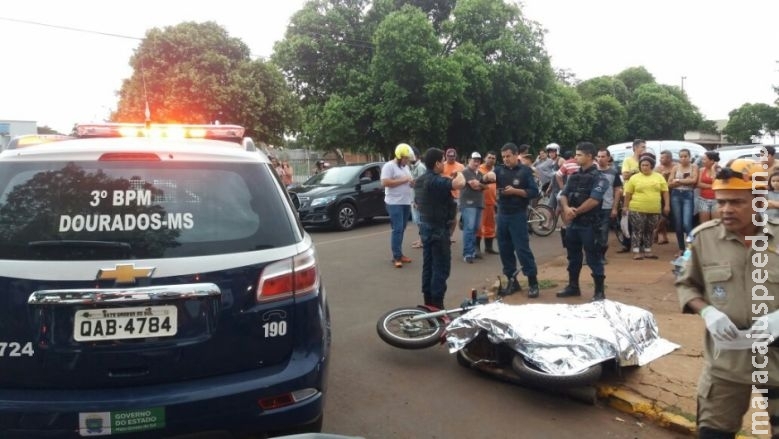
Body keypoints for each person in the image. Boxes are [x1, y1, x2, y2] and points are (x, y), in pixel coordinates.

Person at [676, 159, 779, 439]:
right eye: (721, 202)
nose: (725, 210)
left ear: (759, 200)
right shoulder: (703, 240)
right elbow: (687, 285)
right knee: (713, 433)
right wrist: (708, 312)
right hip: (726, 362)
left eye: (736, 202)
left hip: (777, 359)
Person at [483, 142, 541, 298]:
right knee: (504, 249)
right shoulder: (499, 169)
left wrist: (515, 191)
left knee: (522, 249)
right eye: (503, 157)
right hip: (502, 214)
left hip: (517, 214)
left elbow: (534, 192)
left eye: (508, 156)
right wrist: (486, 177)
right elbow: (486, 179)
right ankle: (512, 281)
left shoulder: (525, 171)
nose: (506, 159)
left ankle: (533, 282)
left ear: (516, 155)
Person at [556, 142, 610, 300]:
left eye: (579, 155)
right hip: (574, 224)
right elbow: (563, 194)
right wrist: (566, 208)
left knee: (593, 257)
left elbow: (594, 200)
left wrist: (576, 212)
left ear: (589, 156)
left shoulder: (600, 178)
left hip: (590, 224)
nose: (576, 157)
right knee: (573, 256)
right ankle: (573, 286)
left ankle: (599, 291)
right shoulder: (574, 176)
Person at [414, 148, 466, 309]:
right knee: (441, 268)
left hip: (426, 228)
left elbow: (419, 201)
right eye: (442, 160)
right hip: (438, 230)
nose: (444, 163)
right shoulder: (434, 180)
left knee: (428, 266)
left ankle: (428, 303)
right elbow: (459, 183)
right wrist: (459, 173)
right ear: (437, 163)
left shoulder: (421, 180)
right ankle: (437, 306)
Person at [623, 152, 670, 260]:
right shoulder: (634, 178)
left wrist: (667, 205)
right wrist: (625, 207)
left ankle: (648, 250)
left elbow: (665, 192)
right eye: (642, 165)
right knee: (637, 229)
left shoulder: (659, 177)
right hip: (637, 208)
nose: (644, 167)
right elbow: (628, 193)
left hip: (654, 208)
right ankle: (636, 251)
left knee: (650, 229)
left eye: (647, 165)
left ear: (652, 166)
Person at [381, 143, 415, 268]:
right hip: (394, 202)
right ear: (399, 156)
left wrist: (411, 183)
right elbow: (385, 182)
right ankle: (396, 257)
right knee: (398, 229)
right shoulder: (389, 166)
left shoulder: (405, 167)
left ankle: (400, 254)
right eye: (405, 158)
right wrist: (404, 180)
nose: (407, 161)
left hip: (405, 202)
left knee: (402, 229)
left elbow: (408, 181)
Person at [667, 148, 699, 257]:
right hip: (676, 195)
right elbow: (669, 183)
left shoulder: (693, 167)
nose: (683, 158)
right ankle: (681, 248)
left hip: (687, 195)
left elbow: (693, 181)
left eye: (685, 156)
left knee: (687, 223)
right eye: (681, 156)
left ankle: (691, 248)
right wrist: (685, 181)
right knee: (678, 224)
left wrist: (678, 181)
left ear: (689, 157)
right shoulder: (675, 167)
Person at [595, 148, 623, 265]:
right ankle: (590, 256)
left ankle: (601, 256)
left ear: (608, 158)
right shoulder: (592, 171)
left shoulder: (613, 173)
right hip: (592, 206)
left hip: (606, 206)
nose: (600, 159)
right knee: (590, 233)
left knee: (603, 233)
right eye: (599, 156)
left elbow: (617, 190)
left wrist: (615, 208)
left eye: (603, 156)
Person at [460, 152, 486, 263]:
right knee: (469, 228)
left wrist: (481, 185)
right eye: (474, 160)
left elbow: (486, 187)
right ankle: (468, 253)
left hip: (479, 203)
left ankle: (472, 250)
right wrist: (481, 185)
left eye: (478, 160)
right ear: (469, 160)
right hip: (468, 203)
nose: (476, 162)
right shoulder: (465, 172)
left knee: (476, 228)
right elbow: (475, 186)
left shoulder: (480, 173)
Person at [477, 150, 499, 256]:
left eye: (493, 158)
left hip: (492, 202)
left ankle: (488, 247)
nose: (491, 160)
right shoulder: (479, 169)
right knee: (479, 226)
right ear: (485, 158)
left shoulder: (497, 171)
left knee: (490, 226)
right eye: (489, 157)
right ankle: (476, 248)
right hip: (480, 202)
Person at [443, 148, 465, 241]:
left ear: (455, 156)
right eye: (449, 156)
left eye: (453, 156)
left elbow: (464, 179)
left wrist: (458, 174)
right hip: (444, 194)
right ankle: (444, 234)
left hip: (456, 195)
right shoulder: (442, 165)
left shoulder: (461, 166)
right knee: (443, 215)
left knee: (453, 216)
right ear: (446, 156)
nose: (451, 158)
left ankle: (450, 235)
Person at [654, 150, 674, 245]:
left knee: (666, 214)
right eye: (660, 157)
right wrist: (662, 175)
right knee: (662, 214)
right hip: (661, 194)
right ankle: (663, 236)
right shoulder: (658, 168)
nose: (660, 159)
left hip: (673, 193)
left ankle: (656, 231)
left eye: (662, 158)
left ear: (669, 158)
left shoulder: (675, 167)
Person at [408, 146, 427, 249]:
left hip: (418, 199)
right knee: (418, 221)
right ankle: (421, 239)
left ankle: (423, 240)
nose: (409, 158)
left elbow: (422, 185)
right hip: (413, 197)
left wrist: (418, 200)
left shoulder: (420, 167)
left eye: (411, 156)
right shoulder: (413, 167)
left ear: (417, 156)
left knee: (421, 220)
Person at [697, 151, 721, 223]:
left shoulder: (719, 170)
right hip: (703, 200)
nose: (702, 161)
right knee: (704, 224)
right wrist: (712, 186)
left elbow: (717, 184)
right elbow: (699, 184)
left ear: (712, 161)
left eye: (704, 159)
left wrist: (713, 169)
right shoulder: (701, 170)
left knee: (716, 223)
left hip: (716, 200)